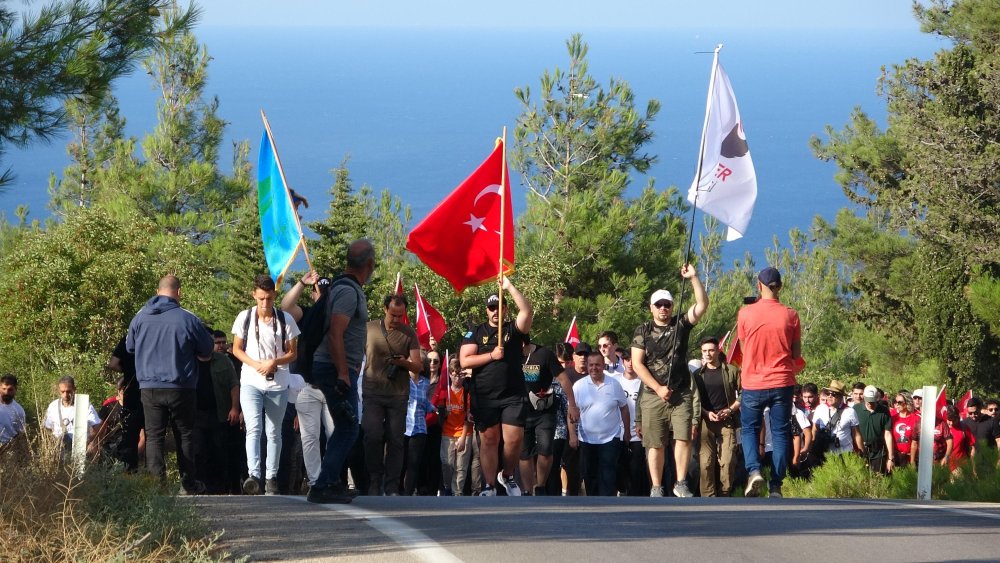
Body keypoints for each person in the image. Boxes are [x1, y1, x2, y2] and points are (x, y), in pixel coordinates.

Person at [126, 275, 214, 493]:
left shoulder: (140, 317)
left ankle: (158, 486)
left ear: (158, 292)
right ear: (179, 292)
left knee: (154, 435)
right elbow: (207, 349)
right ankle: (188, 483)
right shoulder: (188, 318)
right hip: (181, 386)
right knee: (184, 434)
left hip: (149, 386)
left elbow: (130, 347)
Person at [631, 264, 708, 498]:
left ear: (672, 306)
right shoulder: (643, 330)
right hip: (653, 394)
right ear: (651, 308)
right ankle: (656, 486)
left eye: (667, 304)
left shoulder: (680, 325)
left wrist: (693, 278)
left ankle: (681, 482)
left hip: (680, 393)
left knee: (683, 438)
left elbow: (702, 305)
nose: (663, 308)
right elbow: (637, 364)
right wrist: (657, 388)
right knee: (655, 443)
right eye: (659, 305)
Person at [307, 239, 375, 504]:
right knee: (348, 428)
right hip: (335, 370)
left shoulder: (341, 286)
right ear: (369, 264)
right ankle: (323, 485)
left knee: (344, 426)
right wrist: (344, 373)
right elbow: (336, 334)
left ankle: (331, 482)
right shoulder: (348, 292)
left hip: (334, 367)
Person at [460, 276, 533, 497]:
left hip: (513, 393)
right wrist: (491, 355)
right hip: (485, 395)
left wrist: (509, 286)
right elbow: (465, 360)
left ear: (505, 309)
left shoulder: (513, 329)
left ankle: (507, 475)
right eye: (491, 308)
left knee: (514, 439)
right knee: (490, 440)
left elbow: (527, 311)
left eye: (499, 307)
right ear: (486, 310)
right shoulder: (476, 332)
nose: (495, 311)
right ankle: (489, 485)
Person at [736, 267, 802, 498]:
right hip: (782, 381)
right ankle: (776, 485)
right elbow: (796, 354)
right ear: (780, 286)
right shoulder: (791, 315)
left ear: (759, 285)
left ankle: (754, 471)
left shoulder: (745, 313)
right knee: (781, 432)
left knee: (750, 430)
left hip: (753, 382)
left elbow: (743, 349)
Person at [232, 274, 300, 495]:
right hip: (251, 381)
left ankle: (271, 476)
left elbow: (293, 353)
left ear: (274, 296)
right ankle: (254, 475)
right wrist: (255, 364)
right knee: (254, 428)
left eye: (269, 298)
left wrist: (274, 362)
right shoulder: (244, 317)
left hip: (278, 383)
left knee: (274, 431)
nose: (265, 303)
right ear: (254, 295)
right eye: (261, 298)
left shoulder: (285, 320)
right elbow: (236, 349)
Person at [280, 270, 337, 491]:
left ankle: (331, 478)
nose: (321, 295)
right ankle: (315, 481)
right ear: (313, 294)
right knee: (310, 437)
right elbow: (286, 307)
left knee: (335, 436)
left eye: (326, 291)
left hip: (332, 386)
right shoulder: (306, 314)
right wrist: (302, 283)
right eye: (318, 291)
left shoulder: (339, 316)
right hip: (307, 385)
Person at [362, 294, 423, 496]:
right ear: (385, 309)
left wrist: (403, 363)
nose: (396, 319)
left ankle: (391, 486)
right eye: (393, 315)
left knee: (396, 440)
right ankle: (374, 480)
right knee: (372, 435)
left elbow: (418, 366)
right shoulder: (369, 329)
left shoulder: (409, 333)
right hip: (372, 392)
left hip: (398, 394)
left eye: (400, 315)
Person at [519, 337, 577, 496]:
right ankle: (527, 490)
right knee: (524, 454)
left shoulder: (544, 354)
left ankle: (540, 486)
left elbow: (564, 379)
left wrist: (572, 405)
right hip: (521, 411)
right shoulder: (510, 355)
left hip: (544, 410)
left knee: (545, 451)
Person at [571, 352, 630, 496]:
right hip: (586, 439)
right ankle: (594, 504)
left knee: (608, 475)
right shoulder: (579, 386)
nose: (594, 368)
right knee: (590, 476)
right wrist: (572, 434)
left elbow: (624, 408)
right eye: (591, 365)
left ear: (603, 366)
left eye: (597, 365)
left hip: (610, 438)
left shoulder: (614, 384)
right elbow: (571, 412)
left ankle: (607, 504)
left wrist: (627, 432)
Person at [691, 337, 741, 497]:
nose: (708, 354)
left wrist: (730, 410)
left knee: (728, 460)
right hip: (706, 422)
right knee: (705, 463)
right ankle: (708, 499)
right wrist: (706, 413)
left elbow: (744, 393)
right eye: (704, 351)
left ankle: (725, 495)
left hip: (727, 421)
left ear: (718, 351)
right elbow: (693, 400)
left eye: (711, 350)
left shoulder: (731, 371)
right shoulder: (697, 375)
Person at [438, 358, 473, 496]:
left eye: (460, 375)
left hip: (464, 432)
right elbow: (437, 412)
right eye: (454, 375)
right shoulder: (445, 393)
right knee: (447, 463)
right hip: (447, 432)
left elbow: (468, 417)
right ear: (450, 374)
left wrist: (463, 438)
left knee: (461, 467)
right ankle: (447, 486)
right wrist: (444, 412)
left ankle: (457, 492)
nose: (457, 378)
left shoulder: (467, 393)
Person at [108, 336, 143, 471]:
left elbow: (113, 364)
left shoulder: (128, 339)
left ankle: (129, 472)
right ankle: (155, 476)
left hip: (132, 392)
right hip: (152, 391)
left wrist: (127, 371)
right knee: (154, 435)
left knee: (130, 434)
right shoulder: (154, 335)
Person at [616, 348, 647, 496]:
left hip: (638, 433)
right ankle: (621, 492)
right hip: (617, 432)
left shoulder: (643, 381)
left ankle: (635, 498)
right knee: (619, 467)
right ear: (623, 362)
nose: (630, 363)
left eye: (632, 360)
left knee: (636, 469)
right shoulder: (616, 381)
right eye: (627, 360)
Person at [43, 375, 101, 452]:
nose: (65, 395)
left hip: (79, 450)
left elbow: (97, 426)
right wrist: (54, 442)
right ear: (59, 390)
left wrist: (88, 442)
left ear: (74, 389)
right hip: (59, 450)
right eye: (62, 392)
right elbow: (48, 428)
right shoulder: (53, 406)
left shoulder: (84, 405)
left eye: (68, 391)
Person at [402, 362, 435, 495]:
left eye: (420, 362)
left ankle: (408, 493)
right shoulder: (402, 381)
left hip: (420, 427)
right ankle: (396, 491)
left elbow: (426, 403)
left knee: (414, 463)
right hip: (403, 427)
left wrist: (435, 408)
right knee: (401, 462)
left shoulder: (426, 383)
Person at [812, 380, 861, 457]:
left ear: (841, 396)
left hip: (845, 453)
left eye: (833, 394)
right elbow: (814, 430)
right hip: (825, 453)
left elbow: (856, 435)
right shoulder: (820, 409)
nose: (829, 396)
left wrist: (862, 452)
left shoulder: (850, 411)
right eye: (828, 393)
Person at [855, 385, 894, 474]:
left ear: (877, 398)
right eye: (868, 400)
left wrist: (890, 458)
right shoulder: (856, 409)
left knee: (878, 478)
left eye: (872, 401)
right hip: (861, 452)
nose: (870, 403)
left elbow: (888, 434)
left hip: (878, 453)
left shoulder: (884, 411)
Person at [890, 391, 920, 467]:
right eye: (895, 402)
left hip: (912, 457)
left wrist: (913, 460)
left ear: (907, 402)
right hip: (896, 457)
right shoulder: (893, 418)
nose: (897, 404)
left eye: (899, 402)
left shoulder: (916, 419)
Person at [945, 405, 975, 474]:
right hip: (943, 465)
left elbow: (972, 448)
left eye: (954, 420)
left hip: (959, 465)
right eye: (949, 420)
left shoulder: (964, 427)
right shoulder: (941, 427)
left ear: (958, 418)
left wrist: (973, 467)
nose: (951, 423)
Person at [0, 374, 27, 447]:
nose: (6, 392)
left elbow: (20, 434)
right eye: (4, 389)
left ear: (15, 390)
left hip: (7, 448)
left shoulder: (19, 411)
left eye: (10, 389)